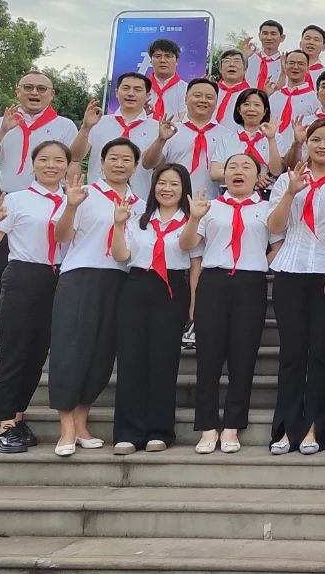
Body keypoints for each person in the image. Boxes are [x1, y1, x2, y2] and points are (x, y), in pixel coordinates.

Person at [0, 71, 79, 350]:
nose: (34, 93)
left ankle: (48, 327)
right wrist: (4, 130)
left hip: (51, 202)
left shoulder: (64, 125)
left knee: (52, 263)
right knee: (3, 266)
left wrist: (73, 198)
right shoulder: (3, 121)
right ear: (17, 91)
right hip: (11, 202)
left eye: (41, 88)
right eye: (28, 87)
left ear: (52, 94)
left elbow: (72, 162)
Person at [178, 153, 276, 455]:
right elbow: (187, 245)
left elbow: (280, 243)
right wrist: (194, 217)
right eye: (232, 166)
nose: (238, 171)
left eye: (246, 167)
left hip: (250, 283)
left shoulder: (268, 208)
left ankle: (232, 425)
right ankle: (207, 426)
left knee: (243, 357)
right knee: (208, 357)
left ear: (258, 177)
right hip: (214, 282)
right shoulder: (209, 207)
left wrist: (259, 263)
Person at [50, 139, 140, 456]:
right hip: (81, 276)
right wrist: (71, 206)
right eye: (113, 158)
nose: (119, 164)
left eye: (126, 159)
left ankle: (81, 422)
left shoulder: (141, 203)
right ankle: (66, 429)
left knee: (102, 353)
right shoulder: (83, 194)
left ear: (135, 167)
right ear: (101, 162)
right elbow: (62, 236)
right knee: (71, 350)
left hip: (120, 279)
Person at [0, 141, 72, 453]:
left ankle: (18, 415)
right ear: (33, 164)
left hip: (60, 278)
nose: (51, 166)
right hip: (24, 274)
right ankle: (5, 422)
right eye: (44, 159)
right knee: (14, 349)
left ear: (68, 166)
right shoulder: (17, 199)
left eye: (58, 160)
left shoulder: (73, 199)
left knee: (37, 352)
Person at [266, 120, 325, 456]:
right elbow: (274, 225)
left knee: (322, 354)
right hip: (291, 269)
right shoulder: (288, 178)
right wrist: (290, 192)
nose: (322, 145)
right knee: (292, 354)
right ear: (307, 143)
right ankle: (287, 428)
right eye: (316, 139)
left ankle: (314, 427)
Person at [108, 163, 200, 454]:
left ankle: (160, 430)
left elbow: (190, 255)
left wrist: (193, 304)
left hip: (172, 290)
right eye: (162, 183)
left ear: (183, 189)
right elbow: (121, 255)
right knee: (131, 360)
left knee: (164, 361)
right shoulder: (137, 220)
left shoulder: (192, 220)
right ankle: (128, 432)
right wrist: (118, 224)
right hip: (136, 287)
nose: (166, 189)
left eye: (174, 184)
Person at [72, 72, 159, 200]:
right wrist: (85, 127)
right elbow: (75, 156)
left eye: (137, 90)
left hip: (138, 200)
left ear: (147, 96)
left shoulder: (158, 128)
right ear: (117, 92)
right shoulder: (98, 122)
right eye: (126, 88)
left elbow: (153, 165)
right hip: (97, 198)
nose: (131, 93)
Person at [142, 77, 222, 200]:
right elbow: (148, 164)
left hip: (212, 204)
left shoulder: (226, 135)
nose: (203, 100)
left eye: (209, 97)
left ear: (216, 102)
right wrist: (161, 140)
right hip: (173, 203)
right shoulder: (170, 130)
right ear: (185, 99)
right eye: (197, 95)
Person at [210, 88, 285, 194]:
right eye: (246, 104)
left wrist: (271, 139)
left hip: (266, 193)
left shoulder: (276, 138)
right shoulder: (227, 138)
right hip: (232, 193)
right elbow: (215, 173)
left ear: (265, 111)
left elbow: (277, 171)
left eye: (257, 105)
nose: (251, 109)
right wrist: (252, 177)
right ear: (239, 110)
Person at [269, 49, 318, 145]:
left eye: (300, 64)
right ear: (285, 66)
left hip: (301, 150)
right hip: (274, 149)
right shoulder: (274, 97)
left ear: (307, 69)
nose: (295, 67)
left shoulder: (315, 99)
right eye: (291, 63)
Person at [146, 38, 188, 120]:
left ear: (177, 61)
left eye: (168, 56)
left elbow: (185, 119)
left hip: (175, 128)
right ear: (150, 60)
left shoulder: (186, 89)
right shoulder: (141, 88)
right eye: (158, 56)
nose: (163, 60)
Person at [213, 49, 252, 126]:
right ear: (220, 69)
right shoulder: (211, 91)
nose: (231, 64)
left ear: (245, 69)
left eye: (236, 61)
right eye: (227, 61)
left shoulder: (251, 95)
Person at [245, 19, 286, 92]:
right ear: (259, 36)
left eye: (273, 34)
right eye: (265, 33)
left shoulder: (285, 64)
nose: (269, 38)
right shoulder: (250, 59)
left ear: (282, 38)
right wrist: (245, 58)